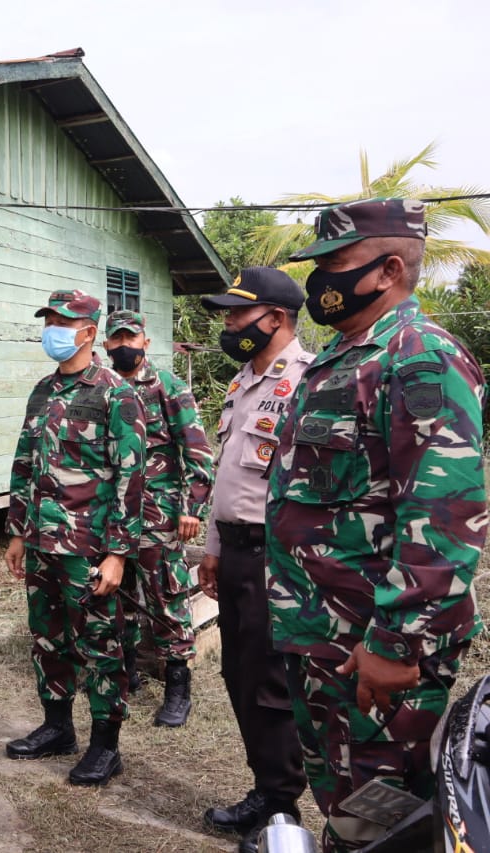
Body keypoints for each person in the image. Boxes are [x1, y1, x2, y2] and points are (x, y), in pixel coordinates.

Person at [267, 198, 487, 852]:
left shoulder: (420, 357)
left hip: (374, 644)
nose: (319, 279)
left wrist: (396, 643)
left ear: (390, 269)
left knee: (382, 816)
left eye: (334, 264)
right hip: (323, 635)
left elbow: (445, 516)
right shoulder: (343, 357)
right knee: (347, 802)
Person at [3, 289, 146, 786]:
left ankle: (106, 746)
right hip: (42, 542)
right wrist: (18, 531)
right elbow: (25, 464)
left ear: (88, 331)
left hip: (88, 547)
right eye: (49, 320)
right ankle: (57, 727)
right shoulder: (42, 390)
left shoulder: (114, 392)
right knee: (48, 638)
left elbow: (131, 476)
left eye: (63, 321)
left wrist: (118, 554)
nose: (53, 330)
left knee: (100, 643)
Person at [198, 267, 312, 853]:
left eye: (238, 314)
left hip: (278, 556)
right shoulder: (244, 381)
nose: (228, 323)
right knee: (239, 673)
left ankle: (281, 800)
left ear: (276, 318)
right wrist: (214, 551)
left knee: (270, 680)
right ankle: (269, 786)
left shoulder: (307, 380)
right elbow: (229, 478)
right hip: (237, 551)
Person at [102, 309, 214, 728]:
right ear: (106, 344)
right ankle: (127, 675)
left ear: (145, 341)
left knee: (166, 600)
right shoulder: (104, 386)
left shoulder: (167, 386)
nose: (124, 345)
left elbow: (198, 452)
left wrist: (192, 507)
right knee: (119, 599)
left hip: (158, 516)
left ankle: (178, 687)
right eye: (116, 339)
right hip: (111, 519)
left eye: (131, 337)